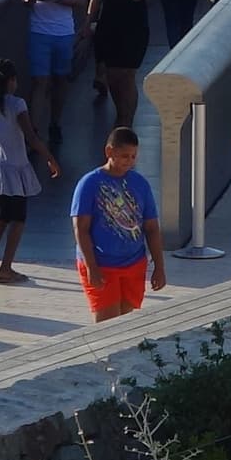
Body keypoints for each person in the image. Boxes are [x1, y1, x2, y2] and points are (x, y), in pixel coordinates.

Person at [70, 128, 165, 323]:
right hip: (102, 264)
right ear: (109, 152)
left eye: (133, 156)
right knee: (107, 323)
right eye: (124, 156)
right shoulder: (89, 183)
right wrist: (92, 267)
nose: (129, 161)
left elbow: (152, 228)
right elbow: (81, 229)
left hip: (134, 262)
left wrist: (159, 266)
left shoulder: (140, 184)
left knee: (124, 321)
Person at [0, 55, 53, 285]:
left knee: (2, 215)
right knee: (18, 218)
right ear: (12, 80)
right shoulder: (18, 105)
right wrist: (50, 159)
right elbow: (31, 137)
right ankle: (6, 267)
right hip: (15, 166)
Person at [15, 0, 89, 160]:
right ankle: (34, 132)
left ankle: (55, 122)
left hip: (63, 32)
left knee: (60, 80)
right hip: (39, 31)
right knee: (40, 82)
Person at [86, 0, 152, 147]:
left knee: (128, 75)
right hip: (108, 27)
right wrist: (88, 22)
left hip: (133, 30)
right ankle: (120, 113)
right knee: (113, 76)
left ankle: (126, 122)